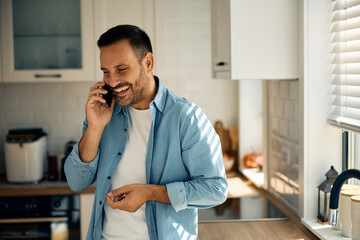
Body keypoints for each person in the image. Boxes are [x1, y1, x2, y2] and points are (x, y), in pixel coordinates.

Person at [65, 24, 228, 240]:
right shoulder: (104, 113)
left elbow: (215, 189)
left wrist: (150, 193)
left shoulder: (186, 118)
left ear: (148, 63)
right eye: (106, 72)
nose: (112, 82)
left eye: (121, 69)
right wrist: (94, 128)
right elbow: (77, 181)